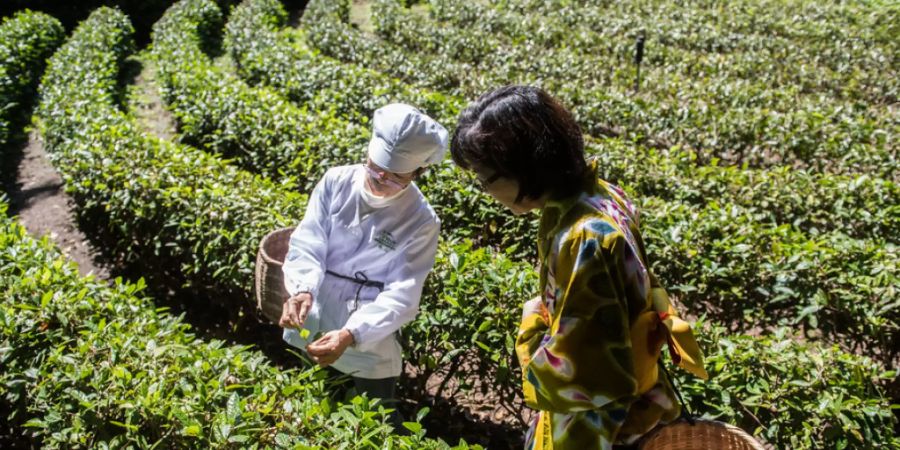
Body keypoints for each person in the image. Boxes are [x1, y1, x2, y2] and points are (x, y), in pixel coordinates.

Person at [450, 86, 707, 449]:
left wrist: (530, 334)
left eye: (485, 178)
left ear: (524, 168)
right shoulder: (600, 194)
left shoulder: (583, 237)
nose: (485, 190)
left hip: (609, 417)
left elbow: (585, 367)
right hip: (641, 389)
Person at [280, 103, 447, 423]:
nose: (381, 179)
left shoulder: (421, 220)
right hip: (315, 310)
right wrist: (302, 289)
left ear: (417, 173)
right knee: (312, 406)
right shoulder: (336, 181)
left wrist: (351, 333)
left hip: (369, 330)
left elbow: (403, 292)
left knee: (375, 418)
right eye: (375, 167)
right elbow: (309, 241)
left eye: (396, 176)